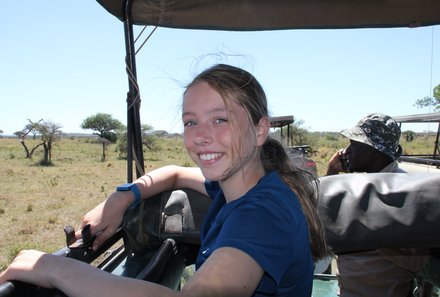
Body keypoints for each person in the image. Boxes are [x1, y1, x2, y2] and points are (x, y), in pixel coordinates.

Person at [0, 64, 328, 297]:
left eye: (220, 119)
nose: (200, 137)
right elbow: (174, 172)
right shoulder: (240, 184)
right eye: (190, 122)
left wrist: (56, 269)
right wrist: (121, 198)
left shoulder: (261, 215)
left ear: (259, 130)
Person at [326, 113, 428, 297]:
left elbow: (417, 261)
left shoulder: (403, 190)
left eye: (354, 145)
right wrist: (332, 172)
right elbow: (324, 218)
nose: (346, 151)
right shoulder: (366, 184)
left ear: (373, 151)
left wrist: (374, 232)